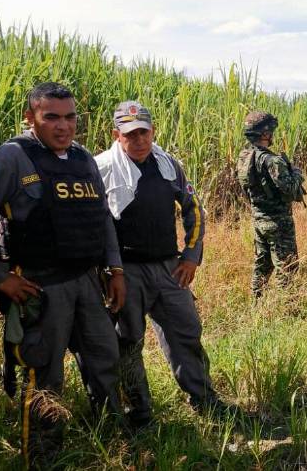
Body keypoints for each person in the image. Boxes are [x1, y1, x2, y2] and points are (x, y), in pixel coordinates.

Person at [0, 82, 125, 468]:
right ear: (31, 118)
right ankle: (44, 458)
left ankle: (111, 444)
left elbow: (101, 218)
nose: (64, 126)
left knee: (104, 359)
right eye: (52, 118)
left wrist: (115, 269)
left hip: (87, 282)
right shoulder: (13, 157)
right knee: (44, 376)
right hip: (42, 287)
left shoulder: (82, 158)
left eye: (70, 117)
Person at [95, 101, 226, 427]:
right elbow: (95, 226)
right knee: (127, 342)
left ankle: (205, 401)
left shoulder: (168, 165)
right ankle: (138, 414)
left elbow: (193, 208)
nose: (139, 140)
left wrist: (191, 256)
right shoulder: (100, 169)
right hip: (126, 271)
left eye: (144, 132)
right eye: (130, 134)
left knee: (186, 332)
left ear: (153, 132)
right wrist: (111, 272)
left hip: (169, 269)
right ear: (116, 135)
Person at [235, 111, 305, 299]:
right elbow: (290, 189)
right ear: (265, 134)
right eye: (271, 131)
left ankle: (257, 306)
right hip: (278, 223)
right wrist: (297, 173)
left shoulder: (244, 157)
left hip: (259, 220)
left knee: (262, 265)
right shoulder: (272, 161)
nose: (272, 135)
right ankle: (287, 309)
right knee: (287, 267)